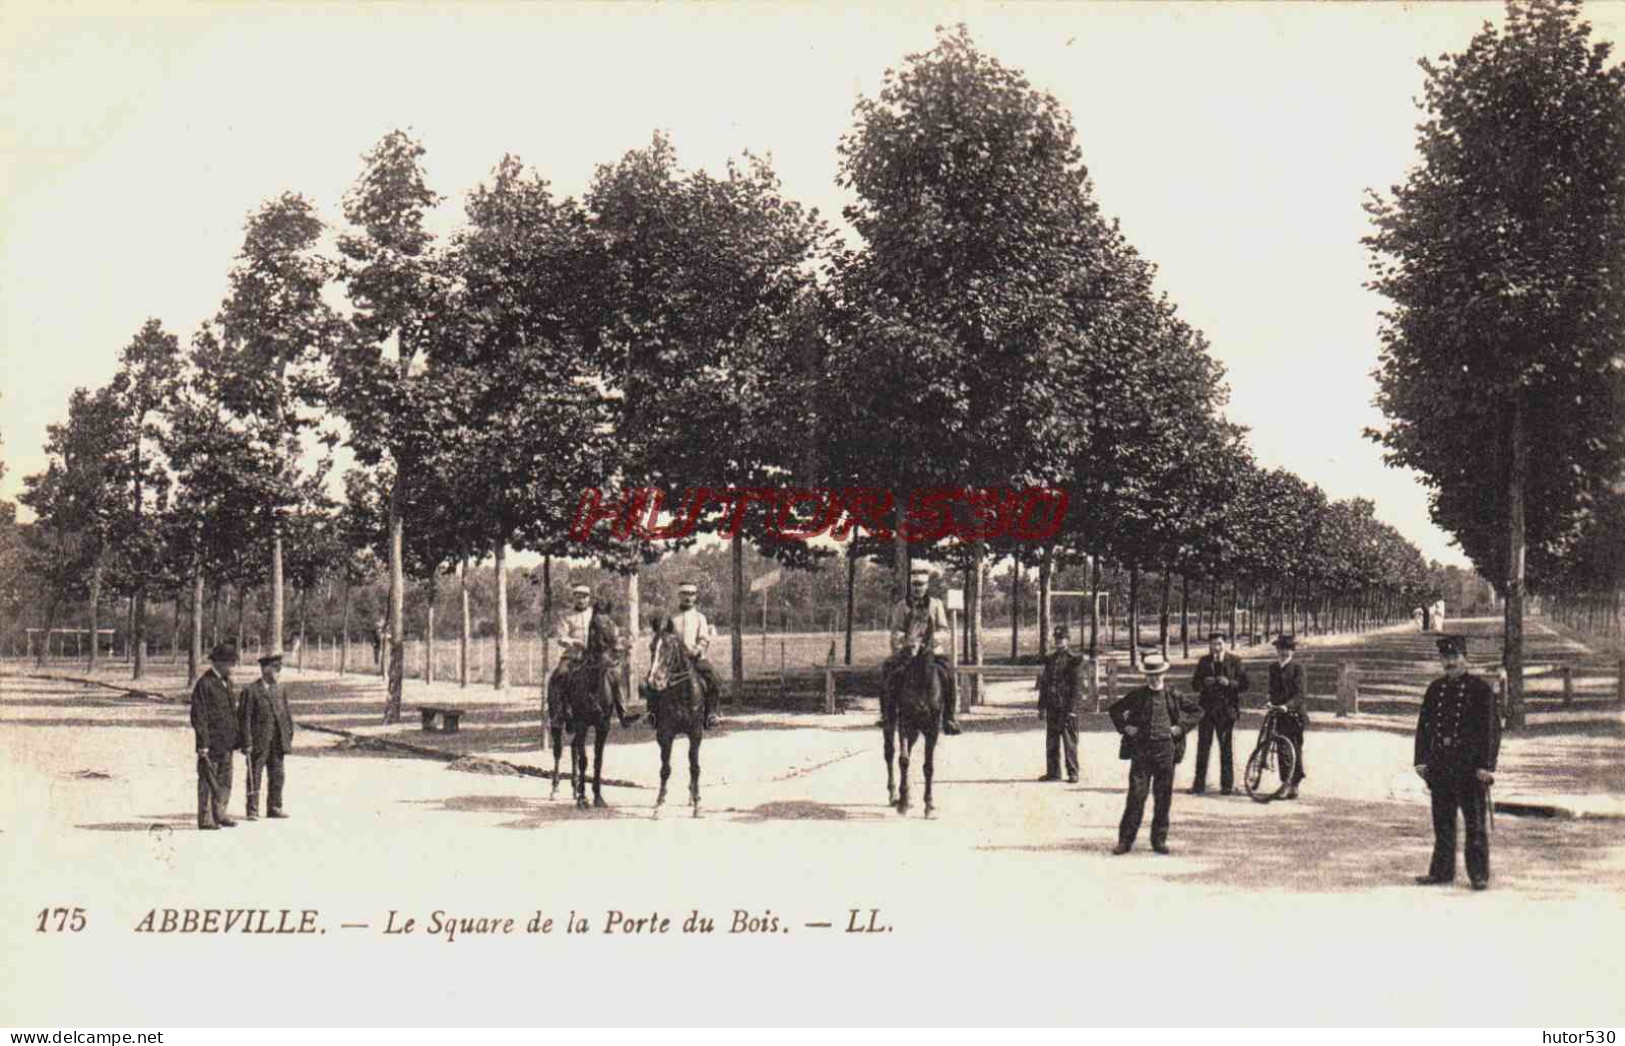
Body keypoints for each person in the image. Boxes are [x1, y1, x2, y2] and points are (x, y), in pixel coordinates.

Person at [1414, 634, 1501, 891]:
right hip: (1441, 765)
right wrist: (1421, 761)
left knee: (1474, 824)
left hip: (1469, 767)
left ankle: (1478, 874)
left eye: (1454, 657)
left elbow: (1491, 731)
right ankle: (1441, 871)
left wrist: (1486, 766)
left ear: (1465, 658)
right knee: (1443, 822)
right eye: (1445, 657)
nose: (1449, 662)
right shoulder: (1435, 689)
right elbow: (1424, 728)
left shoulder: (1480, 690)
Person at [1108, 652, 1203, 855]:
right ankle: (1125, 841)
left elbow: (1197, 712)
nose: (1154, 678)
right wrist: (1126, 728)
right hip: (1141, 753)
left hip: (1165, 752)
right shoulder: (1137, 695)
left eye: (1158, 674)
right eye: (1150, 674)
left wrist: (1181, 728)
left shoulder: (1173, 695)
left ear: (1164, 673)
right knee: (1136, 796)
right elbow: (1115, 710)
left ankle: (1159, 840)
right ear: (1146, 676)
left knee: (1163, 798)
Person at [881, 566, 960, 735]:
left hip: (931, 650)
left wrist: (930, 641)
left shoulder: (936, 605)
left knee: (948, 675)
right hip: (908, 650)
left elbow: (944, 630)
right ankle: (887, 714)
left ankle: (949, 717)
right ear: (910, 586)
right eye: (915, 584)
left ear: (927, 586)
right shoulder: (902, 606)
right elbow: (896, 631)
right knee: (888, 669)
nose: (918, 588)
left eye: (921, 584)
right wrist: (907, 643)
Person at [550, 584, 639, 731]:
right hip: (573, 656)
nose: (581, 599)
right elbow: (561, 638)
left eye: (584, 597)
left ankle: (623, 713)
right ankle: (559, 714)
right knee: (560, 674)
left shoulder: (595, 615)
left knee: (614, 675)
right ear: (574, 597)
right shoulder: (566, 616)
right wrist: (573, 642)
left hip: (595, 657)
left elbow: (611, 631)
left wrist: (621, 641)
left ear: (589, 598)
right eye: (578, 596)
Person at [652, 581, 722, 729]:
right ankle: (653, 714)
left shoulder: (700, 617)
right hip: (673, 660)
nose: (688, 597)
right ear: (679, 595)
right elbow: (663, 636)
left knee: (714, 679)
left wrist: (696, 650)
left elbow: (704, 638)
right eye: (685, 594)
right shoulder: (671, 617)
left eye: (692, 594)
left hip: (696, 659)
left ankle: (711, 714)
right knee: (652, 680)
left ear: (695, 597)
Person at [1189, 631, 1251, 795]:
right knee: (1203, 747)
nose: (1216, 647)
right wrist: (1203, 682)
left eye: (1219, 644)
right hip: (1206, 711)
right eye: (1213, 644)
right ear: (1209, 645)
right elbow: (1194, 685)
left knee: (1226, 749)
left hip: (1226, 711)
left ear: (1225, 644)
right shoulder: (1204, 662)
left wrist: (1229, 683)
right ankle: (1199, 785)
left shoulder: (1235, 661)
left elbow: (1245, 685)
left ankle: (1226, 786)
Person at [190, 643, 241, 830]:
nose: (232, 667)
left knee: (225, 780)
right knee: (207, 781)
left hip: (227, 741)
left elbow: (232, 713)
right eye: (229, 663)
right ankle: (206, 819)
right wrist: (202, 743)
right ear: (218, 662)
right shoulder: (205, 684)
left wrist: (238, 738)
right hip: (211, 743)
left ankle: (220, 814)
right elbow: (199, 716)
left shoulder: (227, 682)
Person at [239, 652, 295, 820]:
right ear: (264, 670)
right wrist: (247, 742)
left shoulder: (280, 690)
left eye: (279, 669)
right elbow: (245, 718)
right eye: (275, 669)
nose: (278, 673)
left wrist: (288, 735)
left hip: (277, 742)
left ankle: (274, 807)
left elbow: (286, 715)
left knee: (278, 775)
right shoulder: (251, 690)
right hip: (258, 742)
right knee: (254, 775)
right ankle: (252, 809)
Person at [1035, 625, 1086, 782]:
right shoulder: (1050, 660)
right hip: (1052, 706)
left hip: (1067, 707)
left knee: (1069, 741)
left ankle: (1073, 772)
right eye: (1056, 639)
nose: (1058, 641)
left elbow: (1077, 687)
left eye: (1062, 639)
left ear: (1068, 640)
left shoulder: (1074, 660)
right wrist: (1041, 707)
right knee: (1051, 740)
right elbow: (1044, 684)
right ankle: (1053, 772)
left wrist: (1072, 709)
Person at [1267, 634, 1308, 800]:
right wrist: (1269, 701)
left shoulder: (1298, 668)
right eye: (1281, 649)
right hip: (1279, 714)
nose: (1284, 652)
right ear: (1277, 650)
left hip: (1295, 715)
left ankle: (1295, 784)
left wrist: (1287, 706)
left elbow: (1300, 694)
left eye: (1288, 649)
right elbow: (1272, 689)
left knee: (1295, 749)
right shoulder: (1273, 668)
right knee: (1282, 750)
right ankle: (1285, 783)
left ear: (1293, 651)